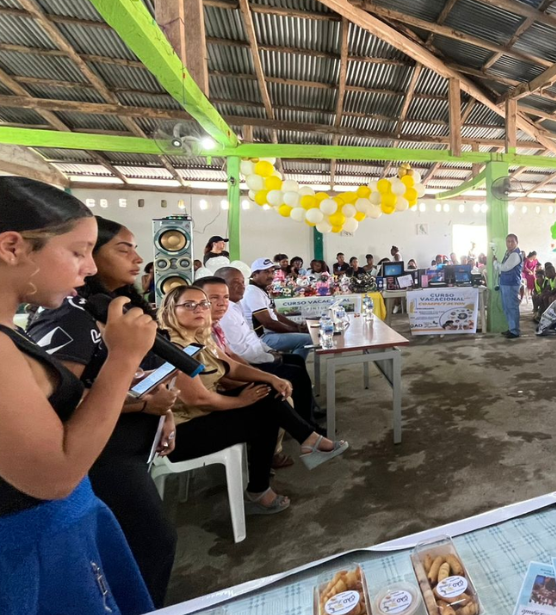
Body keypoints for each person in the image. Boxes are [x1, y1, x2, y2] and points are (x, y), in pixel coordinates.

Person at [0, 177, 156, 615]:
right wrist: (122, 359)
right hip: (29, 550)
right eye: (78, 251)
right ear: (12, 247)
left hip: (60, 531)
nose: (88, 268)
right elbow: (54, 476)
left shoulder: (10, 333)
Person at [28, 218, 177, 606]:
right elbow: (64, 400)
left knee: (139, 545)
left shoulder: (119, 308)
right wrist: (144, 404)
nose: (137, 259)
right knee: (152, 543)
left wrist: (164, 413)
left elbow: (137, 374)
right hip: (100, 454)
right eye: (123, 250)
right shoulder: (69, 315)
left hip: (131, 442)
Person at [159, 286, 346, 508]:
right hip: (181, 432)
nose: (199, 309)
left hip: (205, 412)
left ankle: (306, 442)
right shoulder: (172, 347)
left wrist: (271, 378)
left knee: (267, 393)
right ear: (171, 310)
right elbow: (198, 399)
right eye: (189, 305)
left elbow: (232, 367)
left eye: (203, 304)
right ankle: (262, 485)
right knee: (265, 417)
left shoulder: (199, 337)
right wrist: (240, 401)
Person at [203, 269, 319, 428]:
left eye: (242, 282)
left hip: (255, 355)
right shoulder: (224, 314)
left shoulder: (235, 306)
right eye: (235, 283)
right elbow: (240, 352)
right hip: (248, 363)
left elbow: (251, 336)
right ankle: (306, 421)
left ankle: (307, 410)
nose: (242, 286)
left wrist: (269, 351)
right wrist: (270, 358)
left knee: (296, 360)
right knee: (295, 372)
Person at [243, 258, 312, 359]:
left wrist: (296, 327)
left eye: (272, 272)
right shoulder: (252, 292)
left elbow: (276, 315)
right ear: (254, 274)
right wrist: (296, 330)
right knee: (307, 340)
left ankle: (291, 364)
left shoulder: (261, 290)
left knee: (301, 337)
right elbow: (269, 323)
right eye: (266, 272)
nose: (271, 276)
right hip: (262, 338)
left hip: (270, 333)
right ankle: (294, 366)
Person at [493, 234, 524, 339]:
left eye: (512, 241)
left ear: (517, 242)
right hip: (506, 283)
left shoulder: (515, 255)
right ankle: (511, 328)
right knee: (507, 307)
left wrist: (495, 263)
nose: (510, 244)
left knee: (511, 307)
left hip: (511, 284)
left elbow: (505, 267)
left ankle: (514, 331)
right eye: (508, 241)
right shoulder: (509, 253)